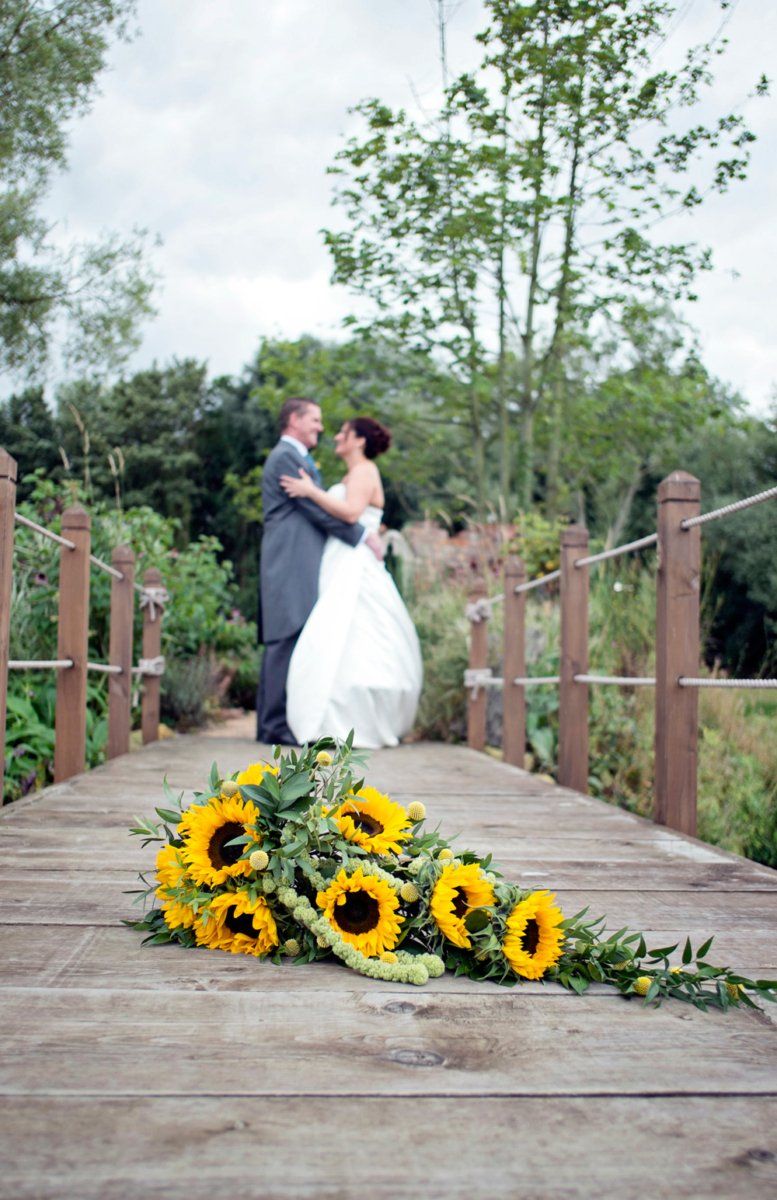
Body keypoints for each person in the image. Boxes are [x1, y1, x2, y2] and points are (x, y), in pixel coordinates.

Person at [280, 415, 422, 748]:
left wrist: (310, 491)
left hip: (355, 563)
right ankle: (336, 713)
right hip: (342, 556)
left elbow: (351, 513)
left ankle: (353, 719)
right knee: (338, 631)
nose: (336, 437)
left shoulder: (364, 470)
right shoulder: (355, 472)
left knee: (352, 629)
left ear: (359, 440)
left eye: (344, 433)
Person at [257, 398, 385, 744]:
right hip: (288, 558)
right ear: (295, 420)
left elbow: (320, 506)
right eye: (315, 419)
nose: (321, 427)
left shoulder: (299, 458)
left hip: (303, 558)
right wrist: (362, 536)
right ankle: (272, 726)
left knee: (295, 637)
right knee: (284, 637)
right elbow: (313, 510)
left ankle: (278, 722)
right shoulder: (286, 456)